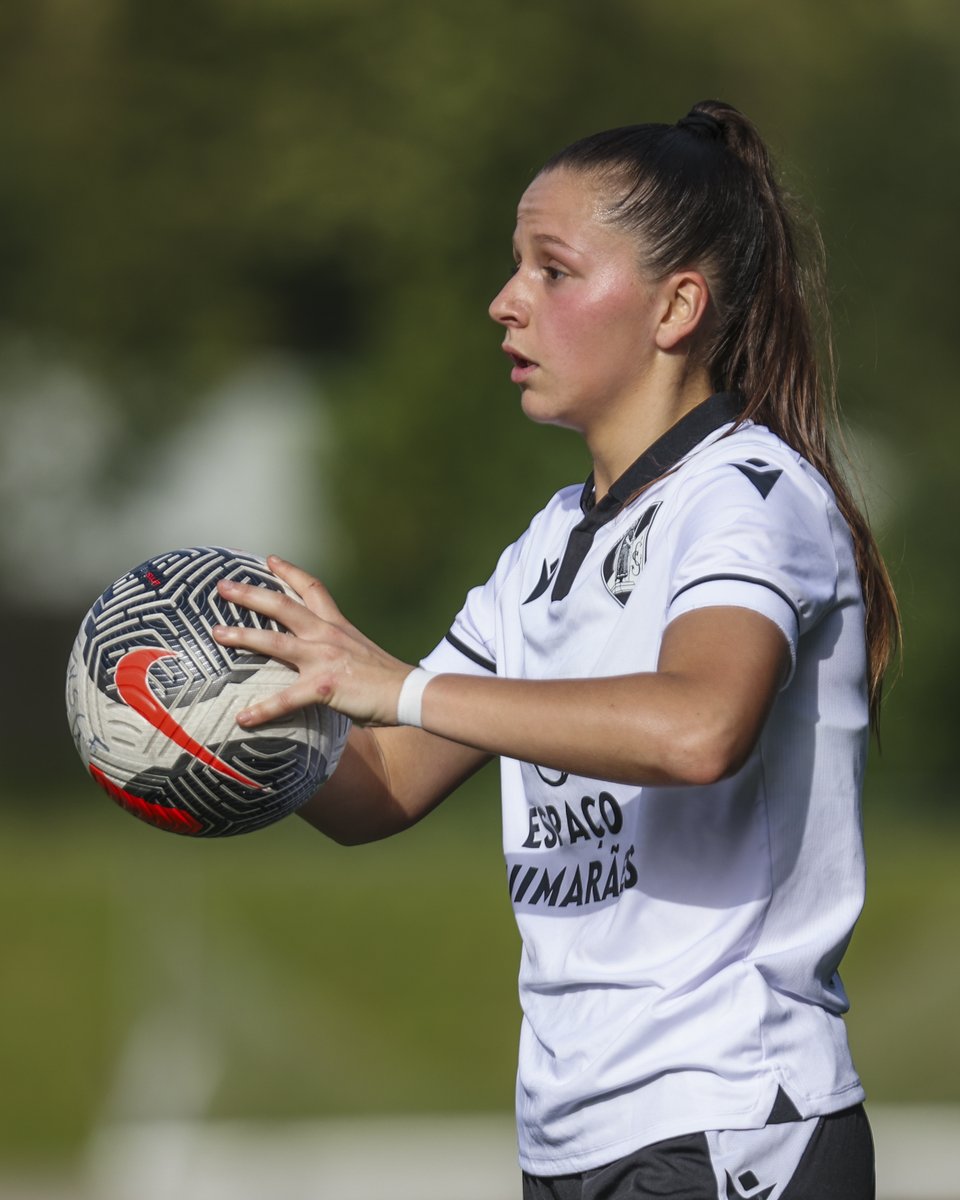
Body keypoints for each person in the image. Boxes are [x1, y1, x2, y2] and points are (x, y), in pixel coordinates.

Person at [212, 100, 899, 1199]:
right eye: (512, 269)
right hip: (572, 1139)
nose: (505, 302)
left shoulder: (750, 498)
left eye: (552, 271)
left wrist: (403, 685)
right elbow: (380, 787)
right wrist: (233, 725)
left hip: (728, 1122)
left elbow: (696, 727)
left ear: (678, 306)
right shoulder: (546, 545)